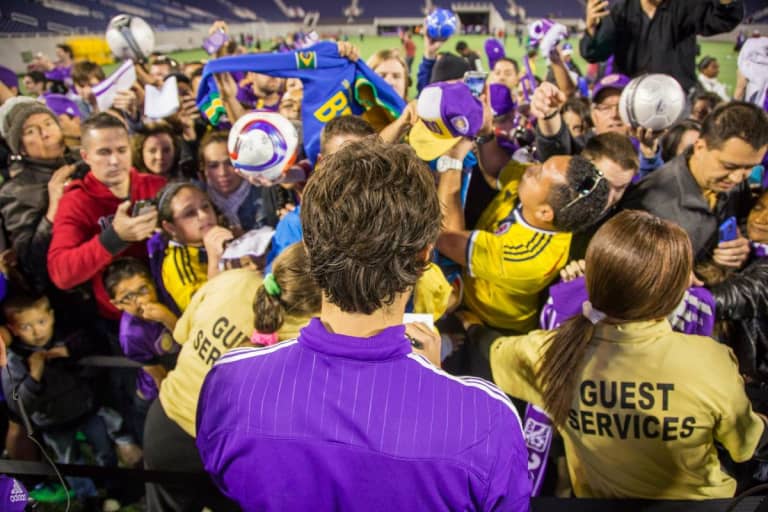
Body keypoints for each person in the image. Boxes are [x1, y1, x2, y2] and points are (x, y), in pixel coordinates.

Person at [196, 138, 531, 510]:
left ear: (310, 246)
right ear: (424, 256)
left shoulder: (230, 384)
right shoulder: (485, 420)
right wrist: (437, 393)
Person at [487, 210, 767, 499]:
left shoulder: (545, 351)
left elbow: (496, 354)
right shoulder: (710, 360)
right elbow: (744, 444)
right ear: (677, 293)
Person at [143, 242, 319, 511]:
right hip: (233, 454)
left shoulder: (233, 281)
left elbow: (181, 334)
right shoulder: (315, 338)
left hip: (168, 430)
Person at [437, 153, 610, 335]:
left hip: (487, 321)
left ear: (544, 213)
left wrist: (453, 159)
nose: (530, 168)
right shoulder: (543, 198)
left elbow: (444, 237)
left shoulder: (526, 256)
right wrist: (485, 133)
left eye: (538, 173)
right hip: (466, 281)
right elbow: (497, 172)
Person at [47, 112, 166, 321]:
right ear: (86, 156)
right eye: (103, 152)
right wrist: (113, 239)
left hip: (170, 302)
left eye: (121, 150)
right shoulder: (76, 202)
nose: (114, 161)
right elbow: (61, 273)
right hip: (121, 320)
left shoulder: (156, 185)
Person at [0, 293, 120, 501]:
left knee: (105, 450)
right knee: (70, 461)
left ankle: (114, 485)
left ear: (52, 317)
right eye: (26, 327)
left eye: (41, 322)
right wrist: (34, 376)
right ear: (13, 329)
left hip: (86, 411)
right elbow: (19, 405)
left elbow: (92, 341)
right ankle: (87, 496)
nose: (37, 331)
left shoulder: (63, 337)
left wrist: (69, 350)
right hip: (53, 425)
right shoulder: (15, 360)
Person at [621, 101, 768, 265]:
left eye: (750, 167)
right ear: (699, 147)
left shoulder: (735, 180)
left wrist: (742, 244)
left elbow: (742, 220)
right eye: (728, 166)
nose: (737, 178)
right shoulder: (646, 203)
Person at [0, 98, 78, 295]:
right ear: (21, 148)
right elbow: (31, 260)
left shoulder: (83, 160)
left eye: (48, 123)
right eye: (31, 131)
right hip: (67, 296)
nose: (45, 133)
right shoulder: (16, 190)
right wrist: (54, 207)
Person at [579, 0, 744, 93]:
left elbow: (723, 19)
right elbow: (594, 53)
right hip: (630, 98)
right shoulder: (620, 10)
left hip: (676, 100)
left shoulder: (685, 6)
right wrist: (592, 29)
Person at [104, 257, 179, 408]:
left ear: (153, 283)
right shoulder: (130, 335)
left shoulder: (168, 297)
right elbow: (159, 376)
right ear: (116, 304)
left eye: (143, 289)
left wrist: (167, 318)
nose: (140, 301)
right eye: (127, 297)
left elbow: (189, 338)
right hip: (157, 392)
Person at [154, 181, 233, 312]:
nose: (204, 215)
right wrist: (214, 261)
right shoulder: (175, 264)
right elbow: (203, 310)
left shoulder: (224, 235)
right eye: (189, 213)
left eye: (205, 206)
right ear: (170, 227)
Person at [198, 130, 267, 234]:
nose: (222, 173)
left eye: (229, 163)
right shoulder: (198, 198)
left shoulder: (265, 191)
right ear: (204, 169)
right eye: (213, 166)